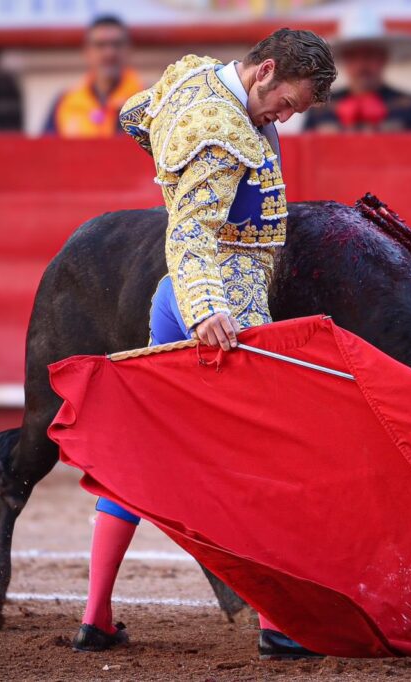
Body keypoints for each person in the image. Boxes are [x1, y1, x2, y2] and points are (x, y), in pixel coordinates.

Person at [71, 29, 336, 659]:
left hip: (178, 300)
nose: (285, 117)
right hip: (223, 309)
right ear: (264, 69)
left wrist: (173, 168)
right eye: (286, 103)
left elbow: (138, 115)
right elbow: (190, 234)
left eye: (296, 111)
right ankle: (276, 620)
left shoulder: (192, 78)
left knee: (142, 448)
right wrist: (210, 308)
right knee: (258, 459)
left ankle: (96, 616)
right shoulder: (223, 133)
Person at [303, 7, 411, 133]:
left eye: (369, 55)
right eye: (353, 56)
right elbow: (303, 151)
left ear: (383, 58)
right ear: (344, 60)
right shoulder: (321, 107)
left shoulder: (408, 106)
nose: (362, 65)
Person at [42, 15, 143, 138]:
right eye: (100, 45)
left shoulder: (148, 103)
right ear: (87, 52)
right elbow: (46, 152)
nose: (109, 53)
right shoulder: (65, 103)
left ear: (129, 49)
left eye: (117, 44)